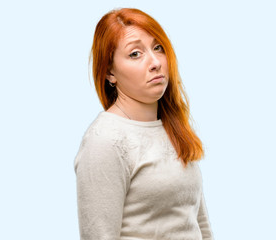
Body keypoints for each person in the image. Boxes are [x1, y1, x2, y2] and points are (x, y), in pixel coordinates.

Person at [74, 8, 214, 240]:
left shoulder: (173, 126)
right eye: (135, 54)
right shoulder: (105, 141)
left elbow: (198, 223)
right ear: (110, 72)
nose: (155, 62)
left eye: (158, 48)